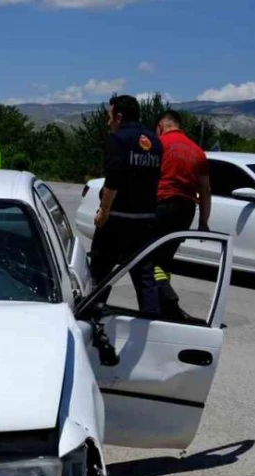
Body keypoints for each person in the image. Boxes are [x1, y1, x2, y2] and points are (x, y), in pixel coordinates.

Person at [90, 95, 165, 315]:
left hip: (118, 218)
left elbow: (113, 180)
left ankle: (92, 315)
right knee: (144, 274)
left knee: (100, 271)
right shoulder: (155, 141)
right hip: (146, 219)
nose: (108, 122)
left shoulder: (118, 139)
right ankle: (152, 320)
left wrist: (104, 211)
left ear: (119, 117)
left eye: (109, 117)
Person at [154, 109, 211, 318]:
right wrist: (203, 223)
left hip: (162, 204)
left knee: (148, 259)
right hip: (186, 211)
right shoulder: (197, 151)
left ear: (161, 126)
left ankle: (168, 301)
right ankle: (163, 308)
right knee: (165, 258)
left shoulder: (159, 145)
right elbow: (205, 190)